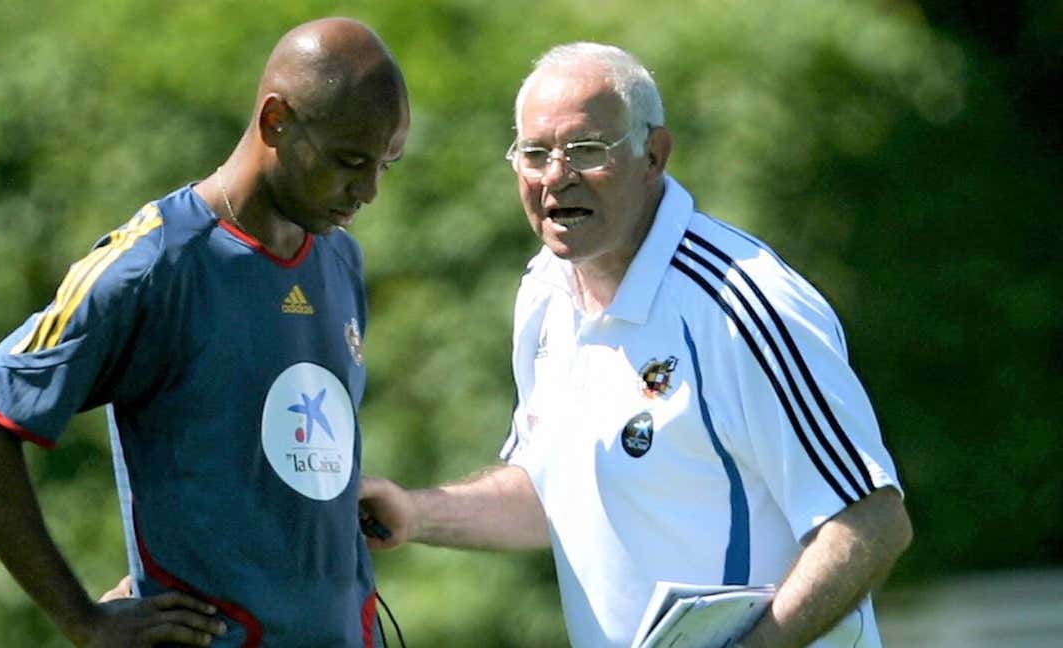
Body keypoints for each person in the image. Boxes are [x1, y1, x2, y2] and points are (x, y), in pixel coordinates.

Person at [360, 43, 912, 648]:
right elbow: (552, 493)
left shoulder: (743, 303)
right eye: (535, 153)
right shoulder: (544, 292)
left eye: (587, 151)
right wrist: (415, 513)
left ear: (654, 155)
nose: (556, 176)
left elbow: (871, 522)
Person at [0, 17, 408, 648]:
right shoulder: (156, 261)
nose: (370, 189)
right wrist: (82, 618)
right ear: (276, 122)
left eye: (386, 163)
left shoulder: (339, 259)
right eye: (351, 161)